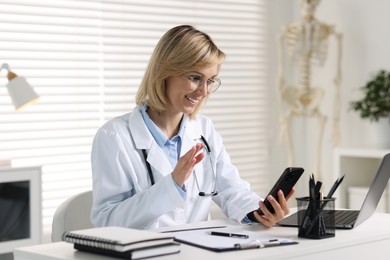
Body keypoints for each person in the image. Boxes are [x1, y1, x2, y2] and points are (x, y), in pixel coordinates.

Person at [90, 25, 294, 230]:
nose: (204, 92)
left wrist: (260, 212)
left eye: (211, 81)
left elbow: (231, 189)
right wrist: (171, 185)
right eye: (195, 78)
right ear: (164, 72)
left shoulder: (204, 130)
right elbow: (107, 220)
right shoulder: (114, 136)